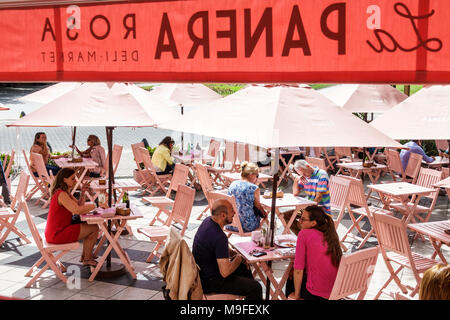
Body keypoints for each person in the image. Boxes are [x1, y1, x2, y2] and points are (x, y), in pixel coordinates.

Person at [192, 199, 263, 300]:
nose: (234, 212)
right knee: (256, 288)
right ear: (223, 215)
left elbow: (216, 248)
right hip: (210, 282)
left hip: (203, 275)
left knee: (243, 267)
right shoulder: (219, 236)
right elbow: (225, 272)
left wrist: (234, 254)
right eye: (232, 210)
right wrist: (238, 258)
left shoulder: (208, 221)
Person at [45, 168, 99, 267]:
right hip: (57, 234)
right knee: (94, 228)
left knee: (91, 226)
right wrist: (96, 205)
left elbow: (79, 205)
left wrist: (82, 193)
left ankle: (86, 256)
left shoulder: (64, 193)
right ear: (64, 180)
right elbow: (77, 210)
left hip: (56, 231)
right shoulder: (62, 194)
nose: (75, 181)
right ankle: (86, 258)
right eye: (73, 178)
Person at [287, 205, 342, 300]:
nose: (299, 221)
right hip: (335, 292)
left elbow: (298, 270)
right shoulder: (331, 235)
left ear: (313, 223)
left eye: (303, 219)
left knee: (291, 279)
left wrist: (296, 295)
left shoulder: (304, 234)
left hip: (316, 294)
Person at [227, 162, 268, 233]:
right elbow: (258, 207)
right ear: (251, 175)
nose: (257, 178)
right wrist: (265, 214)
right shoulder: (254, 188)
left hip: (230, 224)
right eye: (257, 176)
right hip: (247, 226)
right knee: (264, 217)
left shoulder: (233, 184)